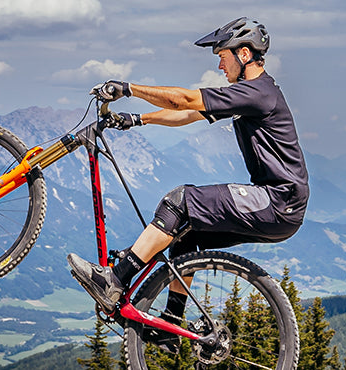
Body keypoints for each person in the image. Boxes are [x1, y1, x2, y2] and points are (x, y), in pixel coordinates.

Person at [67, 16, 308, 348]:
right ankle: (170, 325)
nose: (220, 64)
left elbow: (182, 100)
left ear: (244, 53)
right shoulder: (250, 94)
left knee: (179, 200)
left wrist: (128, 89)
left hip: (278, 201)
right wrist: (136, 119)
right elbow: (187, 114)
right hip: (282, 207)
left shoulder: (259, 93)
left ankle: (115, 280)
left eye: (222, 55)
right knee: (185, 233)